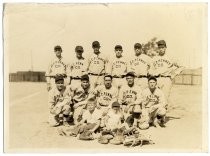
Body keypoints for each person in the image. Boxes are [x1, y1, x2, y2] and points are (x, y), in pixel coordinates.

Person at [149, 40, 184, 107]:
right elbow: (151, 69)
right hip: (156, 79)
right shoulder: (154, 58)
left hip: (166, 79)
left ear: (165, 48)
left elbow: (182, 66)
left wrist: (174, 73)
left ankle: (162, 116)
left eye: (163, 47)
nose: (161, 49)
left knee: (164, 98)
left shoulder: (170, 57)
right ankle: (156, 116)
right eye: (159, 48)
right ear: (158, 49)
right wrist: (152, 73)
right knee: (155, 98)